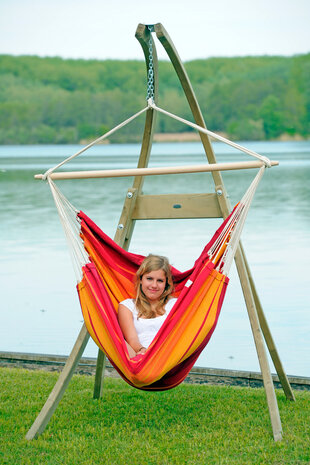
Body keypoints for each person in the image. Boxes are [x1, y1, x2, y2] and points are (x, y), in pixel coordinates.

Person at [118, 254, 177, 358]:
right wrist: (142, 350)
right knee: (115, 338)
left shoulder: (175, 305)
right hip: (138, 357)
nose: (154, 285)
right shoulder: (127, 306)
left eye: (160, 281)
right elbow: (132, 339)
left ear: (166, 283)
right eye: (149, 279)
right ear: (141, 279)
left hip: (167, 357)